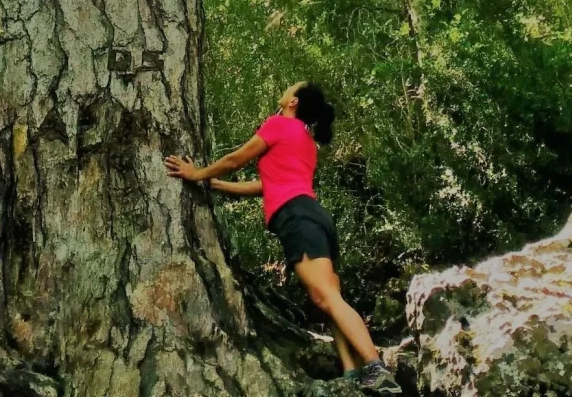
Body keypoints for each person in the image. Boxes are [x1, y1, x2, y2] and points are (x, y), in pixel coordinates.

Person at [164, 82, 401, 394]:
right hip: (314, 216)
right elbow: (266, 185)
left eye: (289, 88)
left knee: (327, 297)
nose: (285, 90)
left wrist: (197, 173)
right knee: (328, 298)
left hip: (297, 219)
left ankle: (376, 367)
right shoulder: (305, 141)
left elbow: (238, 159)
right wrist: (216, 185)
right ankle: (351, 372)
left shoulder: (278, 124)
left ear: (293, 100)